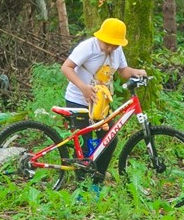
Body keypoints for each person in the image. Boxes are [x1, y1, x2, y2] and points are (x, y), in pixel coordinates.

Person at [60, 17, 146, 188]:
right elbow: (66, 67)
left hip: (100, 103)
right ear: (100, 37)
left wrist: (136, 72)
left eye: (114, 44)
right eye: (107, 43)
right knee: (83, 144)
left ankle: (96, 181)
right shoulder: (87, 47)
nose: (110, 48)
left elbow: (122, 71)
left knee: (109, 140)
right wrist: (83, 87)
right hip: (79, 100)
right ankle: (82, 187)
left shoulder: (117, 50)